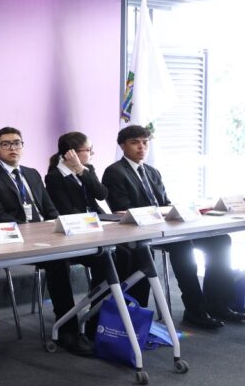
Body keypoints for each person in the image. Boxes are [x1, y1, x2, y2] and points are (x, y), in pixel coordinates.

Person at [101, 124, 242, 328]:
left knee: (220, 241)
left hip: (166, 227)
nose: (142, 147)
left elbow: (165, 202)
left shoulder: (152, 171)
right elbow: (122, 210)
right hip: (140, 232)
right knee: (182, 247)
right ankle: (194, 309)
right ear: (123, 146)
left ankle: (218, 303)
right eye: (135, 143)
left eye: (145, 142)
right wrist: (160, 214)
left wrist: (176, 211)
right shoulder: (114, 172)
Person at [0, 127, 93, 355]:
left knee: (105, 256)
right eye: (6, 144)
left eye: (17, 143)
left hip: (49, 237)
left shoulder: (32, 174)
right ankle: (67, 331)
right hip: (18, 242)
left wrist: (57, 227)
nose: (12, 148)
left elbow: (50, 209)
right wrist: (36, 231)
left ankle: (97, 323)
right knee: (58, 262)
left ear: (22, 146)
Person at [44, 131, 114, 333]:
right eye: (88, 150)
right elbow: (67, 211)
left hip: (97, 225)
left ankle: (99, 317)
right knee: (105, 259)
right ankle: (81, 322)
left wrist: (81, 170)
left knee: (119, 255)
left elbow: (101, 194)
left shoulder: (87, 169)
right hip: (77, 232)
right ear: (71, 153)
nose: (92, 153)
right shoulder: (54, 177)